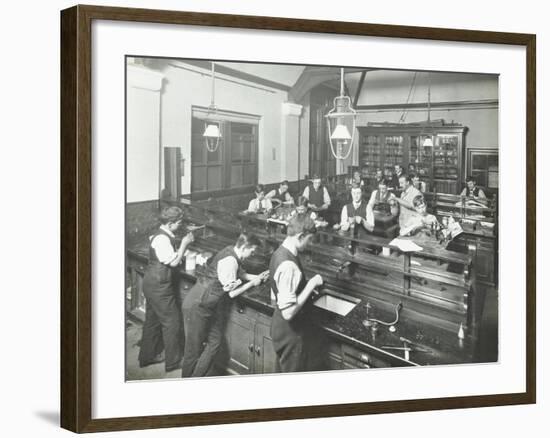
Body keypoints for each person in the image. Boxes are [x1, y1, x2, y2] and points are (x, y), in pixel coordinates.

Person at [181, 233, 268, 377]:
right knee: (193, 350)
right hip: (198, 304)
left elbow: (239, 275)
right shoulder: (230, 260)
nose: (252, 255)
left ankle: (196, 377)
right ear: (245, 246)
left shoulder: (231, 251)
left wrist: (259, 277)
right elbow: (232, 293)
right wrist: (253, 283)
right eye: (252, 251)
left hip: (208, 304)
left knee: (214, 342)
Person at [138, 206, 195, 372]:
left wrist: (180, 248)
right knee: (172, 323)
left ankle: (146, 357)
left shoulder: (162, 234)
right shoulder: (162, 239)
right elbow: (173, 262)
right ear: (170, 223)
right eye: (178, 223)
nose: (180, 226)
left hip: (152, 283)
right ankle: (173, 362)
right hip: (159, 286)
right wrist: (184, 244)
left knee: (153, 321)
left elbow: (170, 257)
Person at [270, 214, 324, 372]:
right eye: (309, 239)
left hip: (279, 327)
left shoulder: (280, 252)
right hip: (290, 332)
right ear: (300, 236)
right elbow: (288, 313)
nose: (310, 244)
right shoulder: (288, 265)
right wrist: (312, 284)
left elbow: (275, 295)